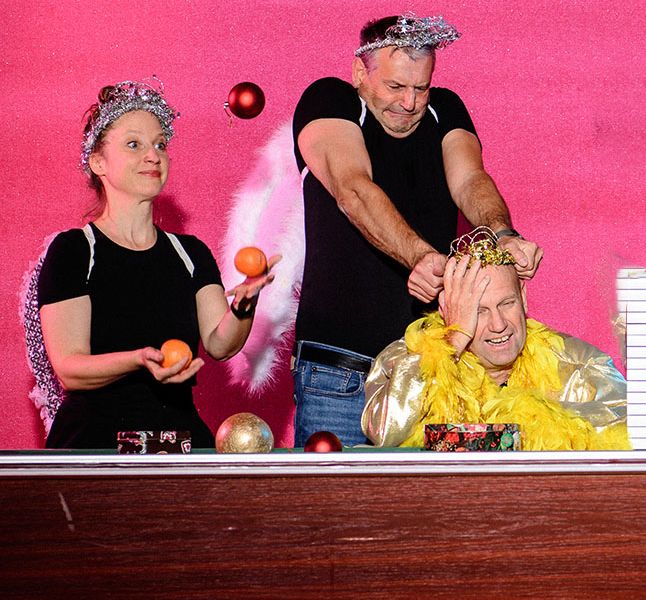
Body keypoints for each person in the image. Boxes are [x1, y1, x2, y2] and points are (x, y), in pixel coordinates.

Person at [291, 13, 543, 447]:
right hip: (340, 373)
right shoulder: (330, 99)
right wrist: (420, 258)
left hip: (434, 368)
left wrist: (503, 234)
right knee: (333, 493)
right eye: (394, 86)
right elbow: (353, 189)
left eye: (420, 88)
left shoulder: (445, 109)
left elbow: (470, 180)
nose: (409, 102)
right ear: (360, 73)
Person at [38, 79, 278, 449]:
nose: (153, 155)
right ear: (98, 162)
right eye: (134, 144)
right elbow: (70, 369)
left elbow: (220, 344)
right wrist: (138, 359)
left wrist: (245, 303)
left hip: (175, 442)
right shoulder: (74, 251)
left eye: (160, 145)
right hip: (96, 445)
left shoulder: (190, 252)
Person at [362, 228, 630, 450]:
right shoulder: (407, 358)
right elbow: (384, 432)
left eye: (506, 303)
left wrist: (528, 424)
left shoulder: (576, 363)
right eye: (478, 311)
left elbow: (629, 423)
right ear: (447, 311)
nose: (499, 325)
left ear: (523, 297)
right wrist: (453, 342)